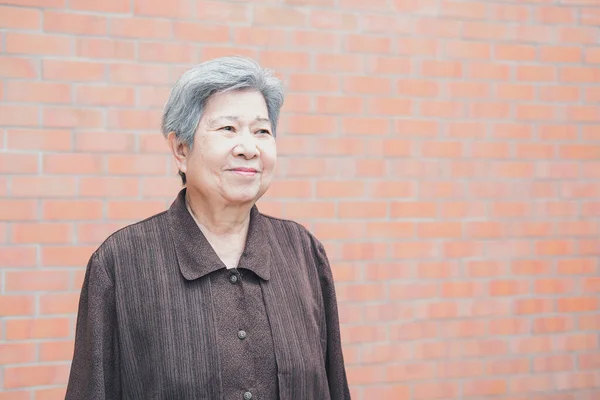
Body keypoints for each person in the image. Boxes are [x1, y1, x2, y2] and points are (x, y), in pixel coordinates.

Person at [65, 56, 351, 400]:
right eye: (228, 128)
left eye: (262, 131)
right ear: (181, 149)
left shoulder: (303, 252)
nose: (248, 148)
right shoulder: (120, 263)